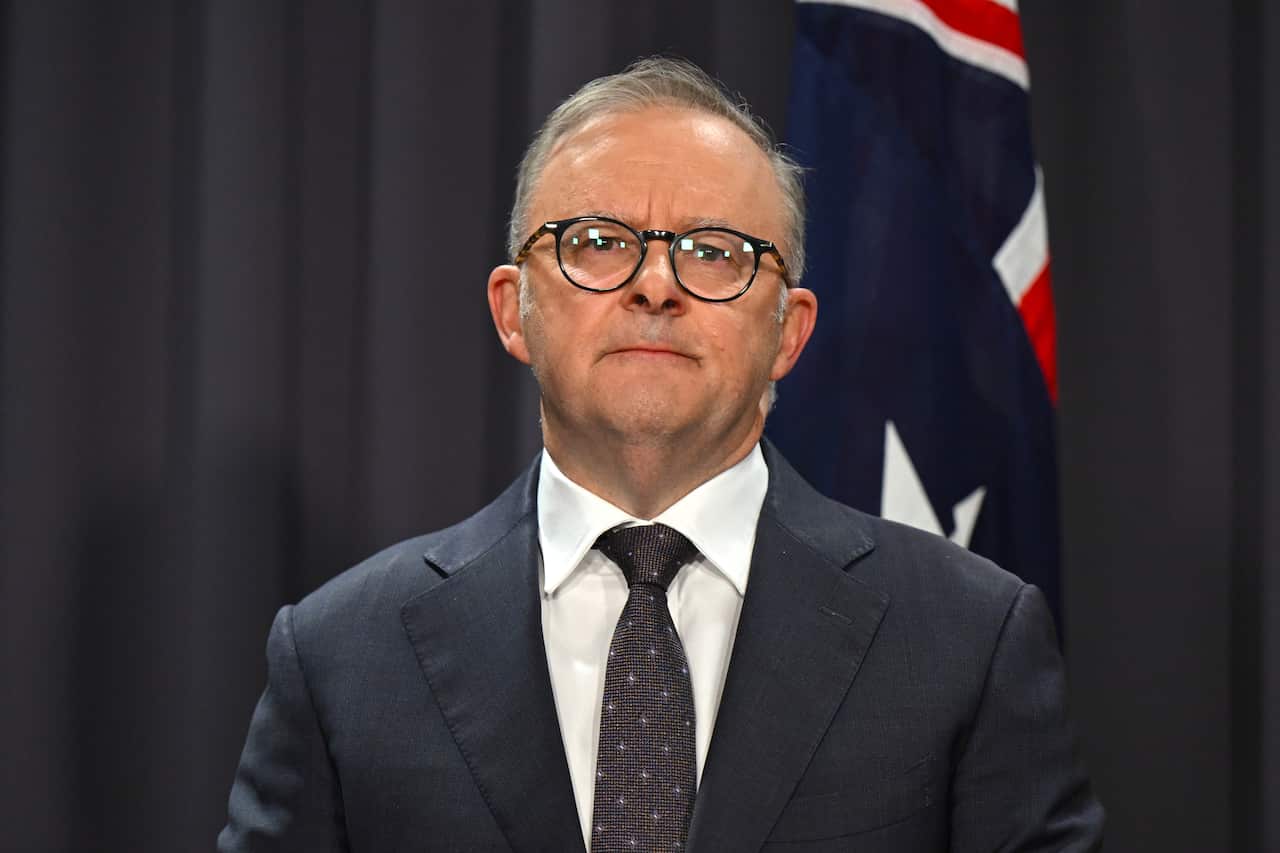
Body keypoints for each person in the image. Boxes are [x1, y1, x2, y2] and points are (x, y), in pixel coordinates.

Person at [219, 57, 1104, 852]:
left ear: (788, 332)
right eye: (597, 243)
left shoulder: (968, 638)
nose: (654, 283)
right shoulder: (341, 658)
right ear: (511, 308)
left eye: (714, 252)